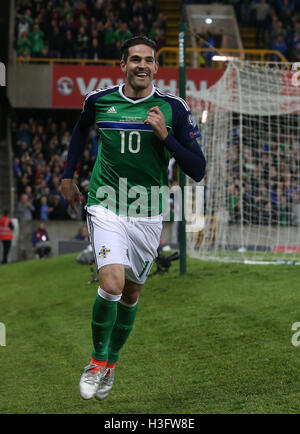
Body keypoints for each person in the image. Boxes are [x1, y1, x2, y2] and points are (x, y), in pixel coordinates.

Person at [60, 36, 206, 401]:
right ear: (122, 65)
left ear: (157, 68)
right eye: (135, 59)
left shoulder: (173, 109)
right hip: (105, 204)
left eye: (149, 60)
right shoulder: (99, 101)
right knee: (111, 283)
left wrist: (166, 137)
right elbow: (80, 130)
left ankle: (111, 364)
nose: (142, 65)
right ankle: (95, 362)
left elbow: (198, 169)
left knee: (131, 292)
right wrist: (67, 174)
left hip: (149, 211)